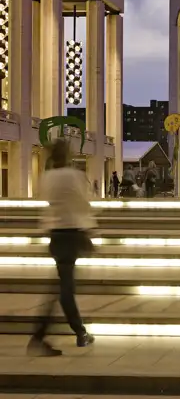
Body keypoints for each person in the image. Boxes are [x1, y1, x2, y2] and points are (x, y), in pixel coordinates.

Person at [28, 139, 96, 357]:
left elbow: (50, 203)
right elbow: (82, 204)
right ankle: (70, 333)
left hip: (56, 235)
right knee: (65, 288)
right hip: (72, 233)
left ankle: (78, 332)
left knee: (63, 285)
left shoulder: (47, 177)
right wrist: (91, 231)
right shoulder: (74, 176)